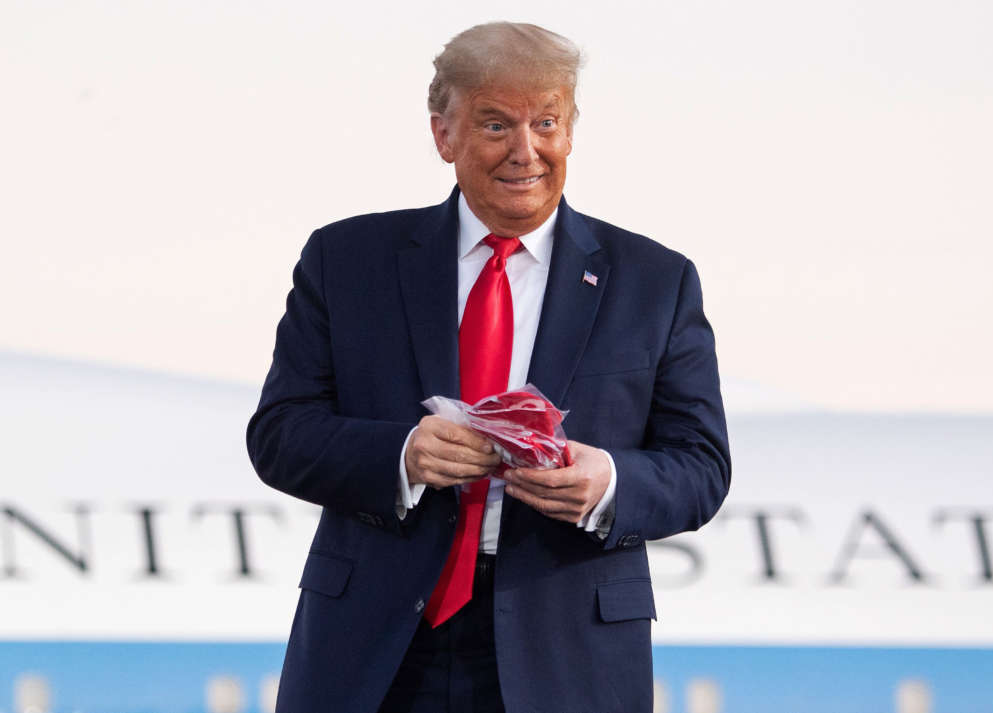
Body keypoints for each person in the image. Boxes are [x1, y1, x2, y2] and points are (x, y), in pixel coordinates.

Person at [246, 21, 730, 713]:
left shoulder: (655, 281)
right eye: (497, 124)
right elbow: (280, 434)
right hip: (375, 647)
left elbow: (702, 465)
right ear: (444, 134)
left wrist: (610, 481)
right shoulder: (347, 260)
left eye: (547, 122)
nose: (526, 150)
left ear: (571, 128)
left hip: (566, 654)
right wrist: (404, 454)